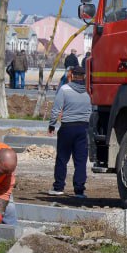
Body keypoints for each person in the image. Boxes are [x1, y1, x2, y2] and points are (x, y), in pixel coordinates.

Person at [48, 65, 91, 198]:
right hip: (84, 128)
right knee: (81, 161)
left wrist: (52, 125)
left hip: (67, 128)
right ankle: (79, 191)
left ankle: (59, 187)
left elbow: (56, 109)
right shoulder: (89, 91)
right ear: (84, 76)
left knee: (62, 159)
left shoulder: (64, 89)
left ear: (71, 75)